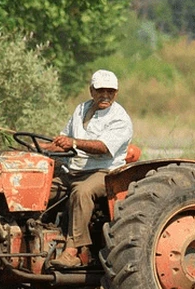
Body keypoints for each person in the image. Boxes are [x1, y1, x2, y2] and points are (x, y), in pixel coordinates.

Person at [44, 69, 133, 268]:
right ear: (92, 90)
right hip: (74, 170)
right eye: (101, 91)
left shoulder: (120, 119)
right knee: (41, 189)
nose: (106, 96)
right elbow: (62, 140)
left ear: (116, 93)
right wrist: (38, 148)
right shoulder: (81, 109)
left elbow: (103, 147)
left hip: (104, 172)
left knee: (82, 192)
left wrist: (74, 143)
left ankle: (73, 251)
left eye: (110, 91)